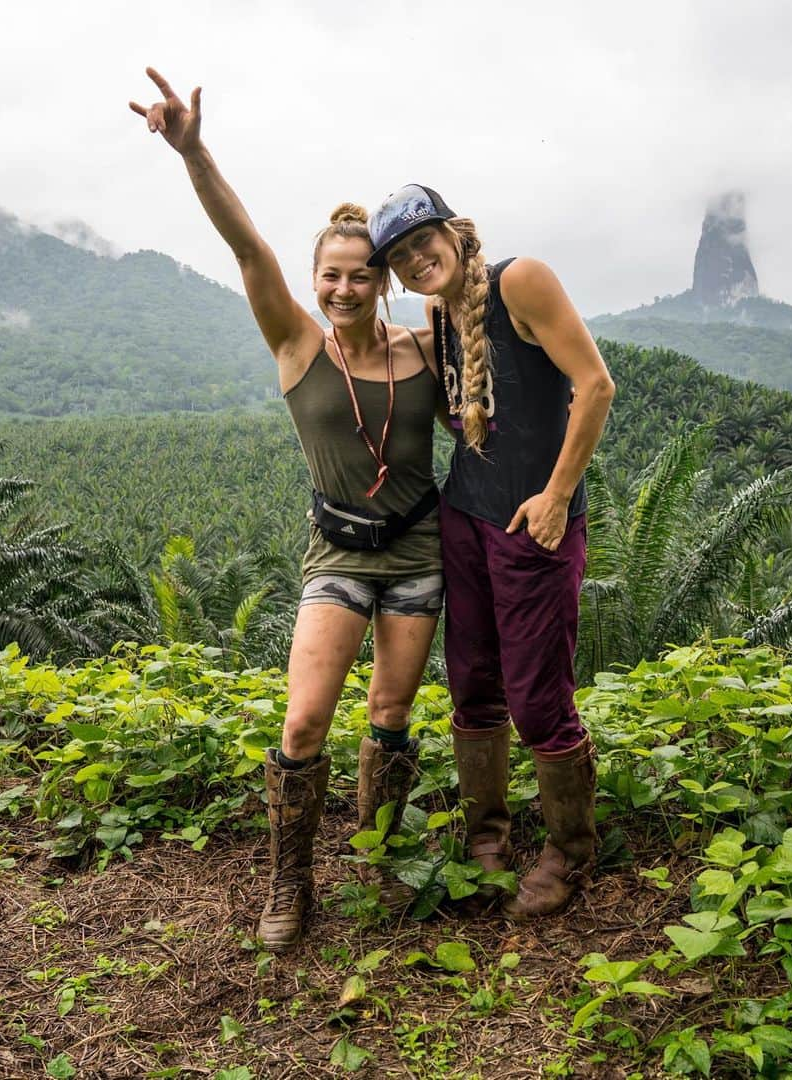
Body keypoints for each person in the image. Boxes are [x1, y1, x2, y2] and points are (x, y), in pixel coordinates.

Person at [130, 72, 443, 951]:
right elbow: (245, 245)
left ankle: (377, 857)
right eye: (330, 276)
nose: (344, 289)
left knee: (390, 714)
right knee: (305, 721)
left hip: (420, 551)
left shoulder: (424, 348)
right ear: (314, 280)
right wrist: (193, 153)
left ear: (383, 282)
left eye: (360, 276)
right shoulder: (296, 340)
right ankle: (290, 881)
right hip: (338, 556)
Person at [367, 185, 615, 920]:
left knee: (539, 696)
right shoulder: (440, 314)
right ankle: (488, 839)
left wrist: (558, 495)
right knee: (473, 682)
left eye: (423, 241)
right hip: (467, 516)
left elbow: (594, 385)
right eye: (400, 256)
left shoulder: (519, 281)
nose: (416, 260)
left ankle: (572, 850)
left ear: (454, 231)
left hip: (533, 522)